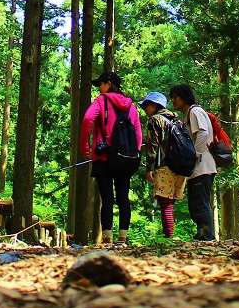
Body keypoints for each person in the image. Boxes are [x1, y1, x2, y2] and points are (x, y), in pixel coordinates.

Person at [80, 70, 142, 245]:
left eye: (100, 84)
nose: (99, 88)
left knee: (107, 198)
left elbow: (87, 120)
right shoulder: (131, 106)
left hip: (104, 157)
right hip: (125, 158)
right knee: (123, 197)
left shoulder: (101, 100)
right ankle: (123, 237)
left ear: (108, 83)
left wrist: (85, 145)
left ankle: (107, 238)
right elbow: (138, 134)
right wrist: (133, 152)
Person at [169, 84, 216, 241]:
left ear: (184, 97)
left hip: (202, 166)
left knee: (200, 204)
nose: (174, 101)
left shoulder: (195, 111)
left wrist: (194, 155)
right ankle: (203, 234)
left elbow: (203, 133)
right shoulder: (190, 113)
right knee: (196, 203)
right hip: (200, 167)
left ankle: (207, 237)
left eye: (176, 97)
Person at [140, 91, 188, 238]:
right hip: (182, 165)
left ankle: (169, 239)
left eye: (146, 106)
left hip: (165, 165)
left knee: (165, 202)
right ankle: (170, 236)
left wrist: (149, 169)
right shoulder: (177, 120)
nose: (145, 110)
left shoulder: (155, 120)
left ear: (154, 106)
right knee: (170, 201)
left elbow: (152, 145)